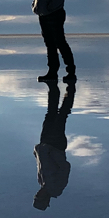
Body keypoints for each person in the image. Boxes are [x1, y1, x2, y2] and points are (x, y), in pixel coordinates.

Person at [30, 0, 76, 83]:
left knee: (60, 42)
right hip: (43, 15)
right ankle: (52, 72)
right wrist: (35, 6)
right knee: (49, 44)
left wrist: (51, 6)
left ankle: (71, 72)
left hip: (55, 13)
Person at [33, 81, 75, 211]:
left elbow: (43, 163)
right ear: (44, 199)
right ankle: (70, 88)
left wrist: (37, 153)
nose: (36, 194)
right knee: (62, 114)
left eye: (35, 197)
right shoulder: (56, 188)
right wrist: (53, 153)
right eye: (37, 197)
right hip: (55, 145)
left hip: (45, 143)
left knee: (50, 113)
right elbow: (65, 167)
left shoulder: (42, 183)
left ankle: (52, 86)